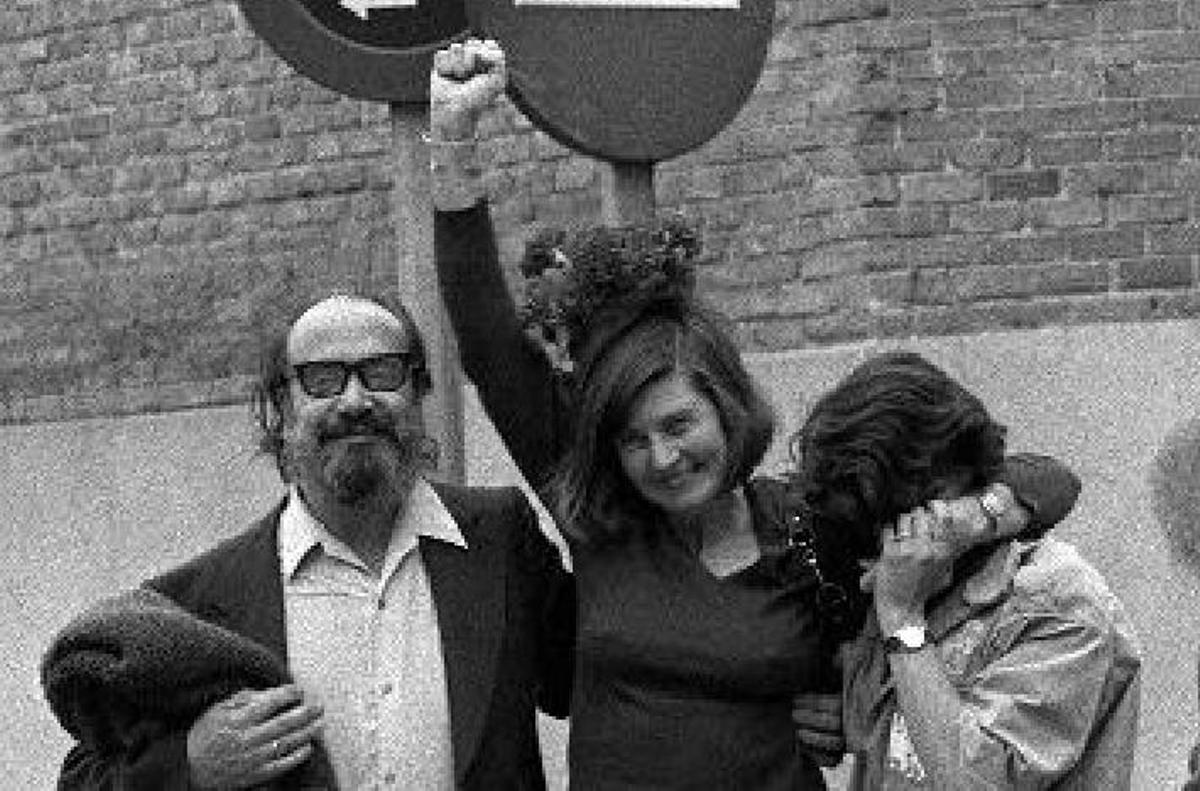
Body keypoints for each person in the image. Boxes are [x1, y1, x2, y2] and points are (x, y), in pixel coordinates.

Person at [429, 39, 1082, 789]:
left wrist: (966, 523)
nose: (662, 458)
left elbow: (1050, 481)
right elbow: (487, 341)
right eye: (633, 439)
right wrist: (453, 140)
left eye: (679, 425)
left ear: (727, 407)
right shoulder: (601, 516)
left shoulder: (807, 524)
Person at [42, 293, 574, 790]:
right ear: (282, 407)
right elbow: (81, 777)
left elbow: (607, 677)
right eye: (322, 379)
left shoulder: (502, 542)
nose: (356, 399)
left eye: (382, 371)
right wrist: (190, 765)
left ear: (418, 392)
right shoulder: (203, 600)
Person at [792, 350, 1141, 789]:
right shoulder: (912, 580)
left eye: (892, 520)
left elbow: (977, 782)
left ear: (947, 489)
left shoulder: (1059, 606)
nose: (880, 549)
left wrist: (904, 625)